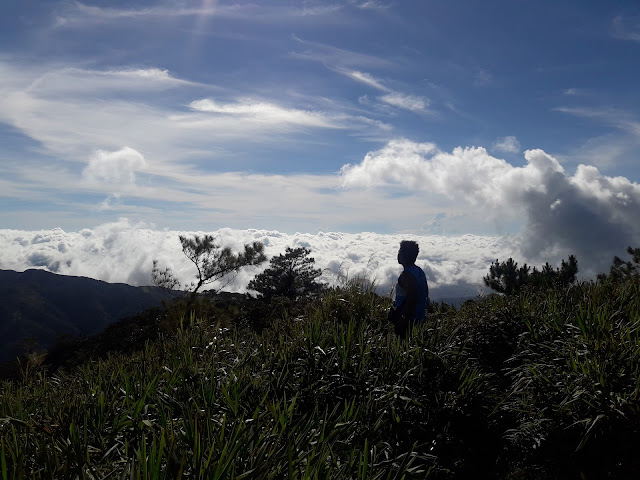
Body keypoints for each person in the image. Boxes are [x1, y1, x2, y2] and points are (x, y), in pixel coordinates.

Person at [388, 240, 429, 337]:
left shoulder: (407, 275)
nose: (398, 253)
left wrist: (403, 319)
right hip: (419, 318)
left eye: (400, 251)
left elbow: (412, 298)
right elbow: (424, 294)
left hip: (409, 322)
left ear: (404, 255)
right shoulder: (419, 271)